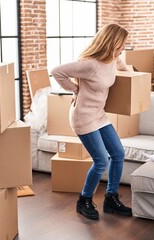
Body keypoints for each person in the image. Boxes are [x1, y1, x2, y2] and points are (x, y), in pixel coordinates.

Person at [51, 23, 132, 220]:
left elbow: (123, 67)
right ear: (112, 42)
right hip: (83, 116)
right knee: (101, 160)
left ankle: (111, 198)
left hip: (99, 114)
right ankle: (84, 200)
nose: (123, 48)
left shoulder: (113, 58)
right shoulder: (90, 64)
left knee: (118, 153)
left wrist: (132, 72)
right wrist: (75, 89)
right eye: (122, 44)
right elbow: (56, 71)